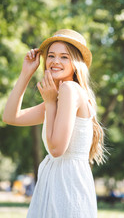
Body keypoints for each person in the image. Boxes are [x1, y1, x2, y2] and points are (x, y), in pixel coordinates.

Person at [3, 29, 106, 218]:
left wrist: (50, 103)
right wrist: (26, 73)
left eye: (64, 57)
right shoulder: (60, 96)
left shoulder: (69, 90)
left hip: (67, 187)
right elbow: (10, 117)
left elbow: (57, 150)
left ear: (75, 63)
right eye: (51, 55)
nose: (55, 61)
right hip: (55, 183)